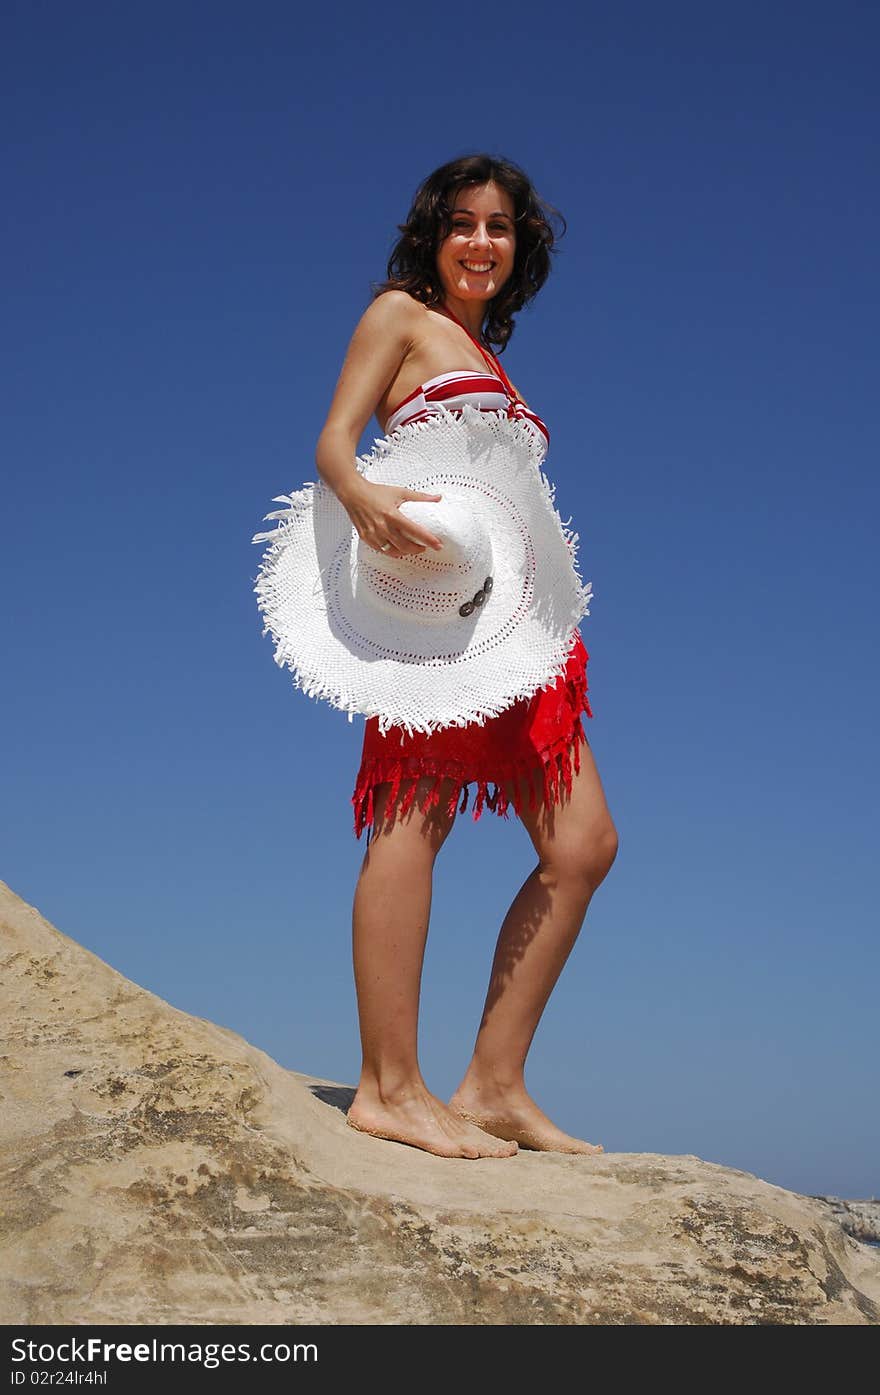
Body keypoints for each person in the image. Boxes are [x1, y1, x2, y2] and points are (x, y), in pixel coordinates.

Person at [314, 154, 618, 1159]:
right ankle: (388, 1085)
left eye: (500, 227)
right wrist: (359, 498)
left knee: (582, 847)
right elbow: (333, 443)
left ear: (517, 247)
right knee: (415, 814)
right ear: (432, 235)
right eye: (463, 223)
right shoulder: (400, 318)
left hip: (517, 630)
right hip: (432, 618)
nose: (481, 242)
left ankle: (492, 1082)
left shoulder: (494, 363)